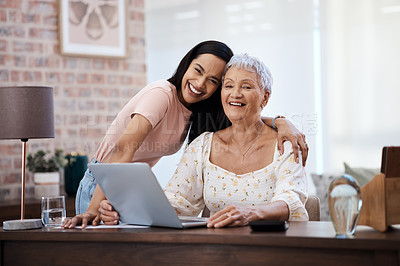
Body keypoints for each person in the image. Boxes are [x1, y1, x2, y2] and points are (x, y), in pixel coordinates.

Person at [64, 41, 308, 228]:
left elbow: (246, 119)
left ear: (265, 96)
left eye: (246, 86)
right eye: (229, 85)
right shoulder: (164, 97)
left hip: (125, 188)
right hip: (104, 180)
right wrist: (97, 207)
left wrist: (280, 121)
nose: (201, 84)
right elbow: (124, 150)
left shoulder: (197, 110)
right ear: (187, 64)